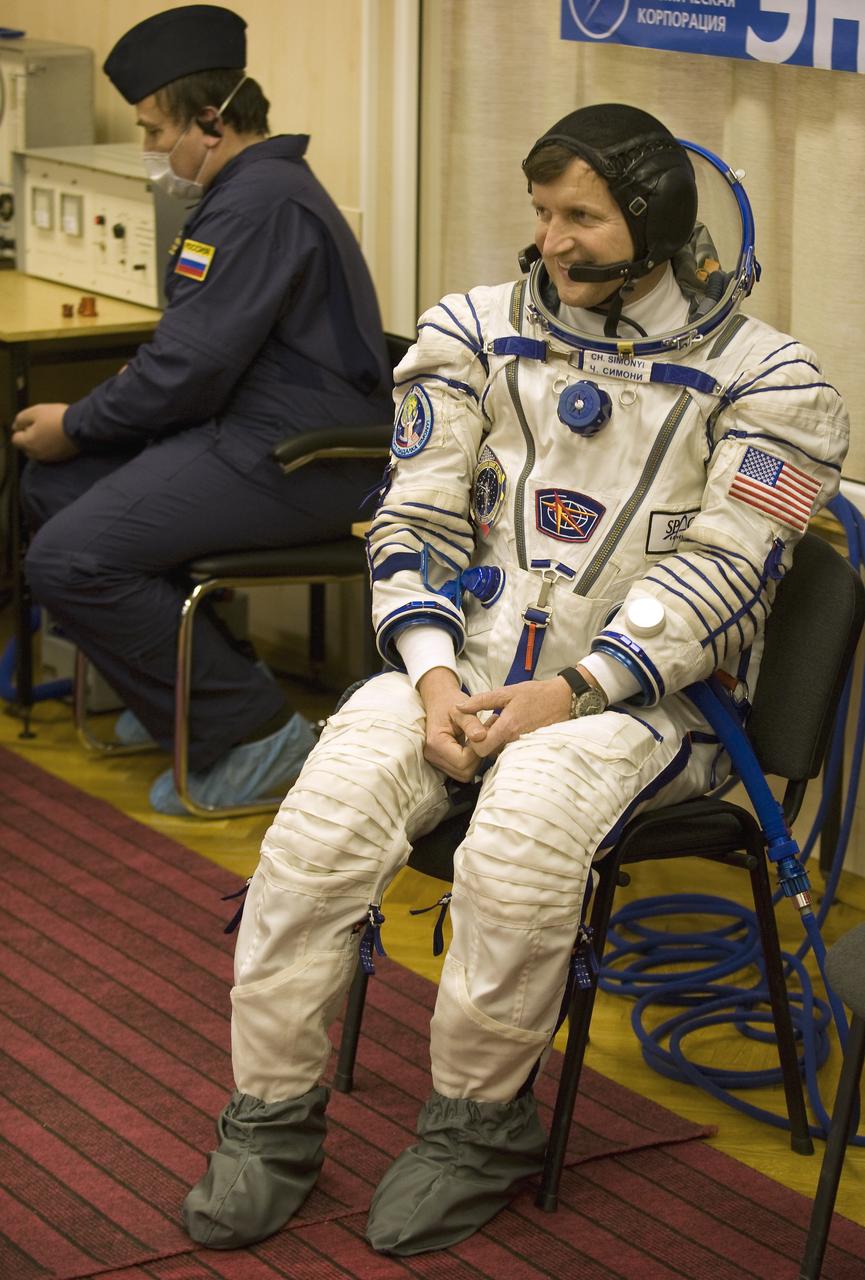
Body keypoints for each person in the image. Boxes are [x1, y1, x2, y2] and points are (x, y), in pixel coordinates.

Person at [181, 104, 849, 1253]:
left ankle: (477, 1125)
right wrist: (433, 676)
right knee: (317, 828)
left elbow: (725, 576)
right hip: (462, 673)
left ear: (651, 222)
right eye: (541, 213)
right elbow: (413, 519)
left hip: (644, 706)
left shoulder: (774, 383)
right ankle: (271, 1116)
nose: (550, 239)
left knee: (519, 842)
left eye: (579, 216)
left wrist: (572, 691)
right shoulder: (469, 334)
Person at [9, 4, 390, 814]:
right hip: (248, 436)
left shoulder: (260, 203)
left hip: (303, 457)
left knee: (68, 557)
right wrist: (89, 427)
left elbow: (187, 368)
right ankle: (184, 701)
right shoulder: (249, 192)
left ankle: (255, 734)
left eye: (155, 131)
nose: (151, 150)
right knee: (52, 493)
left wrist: (75, 424)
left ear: (210, 121)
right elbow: (192, 358)